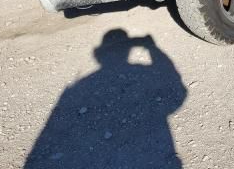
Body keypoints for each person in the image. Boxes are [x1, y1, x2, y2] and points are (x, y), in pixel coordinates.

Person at [25, 29, 185, 168]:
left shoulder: (82, 84)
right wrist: (152, 47)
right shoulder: (138, 71)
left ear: (97, 54)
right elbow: (178, 91)